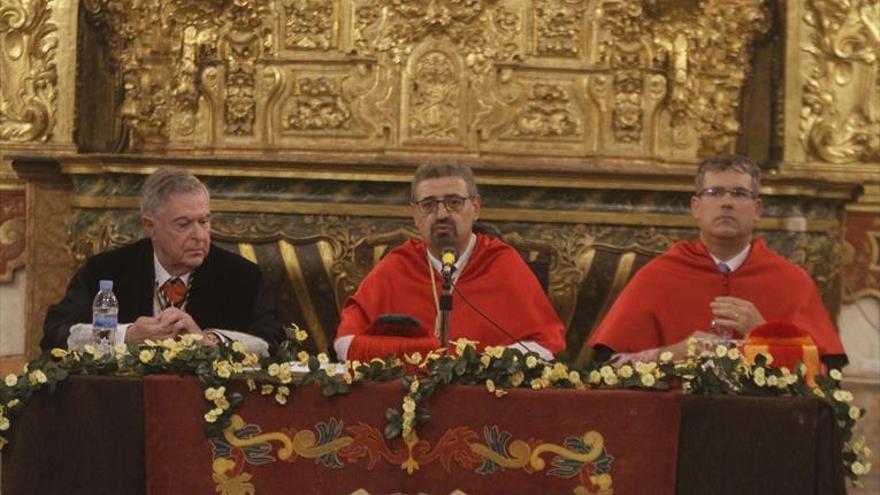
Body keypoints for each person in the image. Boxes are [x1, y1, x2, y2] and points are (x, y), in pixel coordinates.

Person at [588, 154, 847, 368]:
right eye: (714, 192)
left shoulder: (791, 281)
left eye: (739, 193)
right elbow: (609, 367)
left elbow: (825, 374)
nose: (726, 203)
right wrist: (674, 353)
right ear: (696, 207)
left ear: (757, 208)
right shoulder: (658, 276)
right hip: (676, 422)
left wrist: (763, 333)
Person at [335, 161, 566, 362]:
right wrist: (424, 354)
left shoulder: (503, 263)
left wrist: (480, 365)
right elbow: (346, 343)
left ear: (475, 208)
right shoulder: (397, 265)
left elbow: (546, 345)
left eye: (454, 202)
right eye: (428, 205)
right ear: (415, 214)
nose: (442, 214)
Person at [42, 168, 285, 355]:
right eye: (184, 224)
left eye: (204, 221)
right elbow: (55, 334)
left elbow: (276, 343)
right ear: (150, 226)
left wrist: (208, 341)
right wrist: (125, 335)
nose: (199, 235)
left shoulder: (241, 276)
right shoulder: (106, 271)